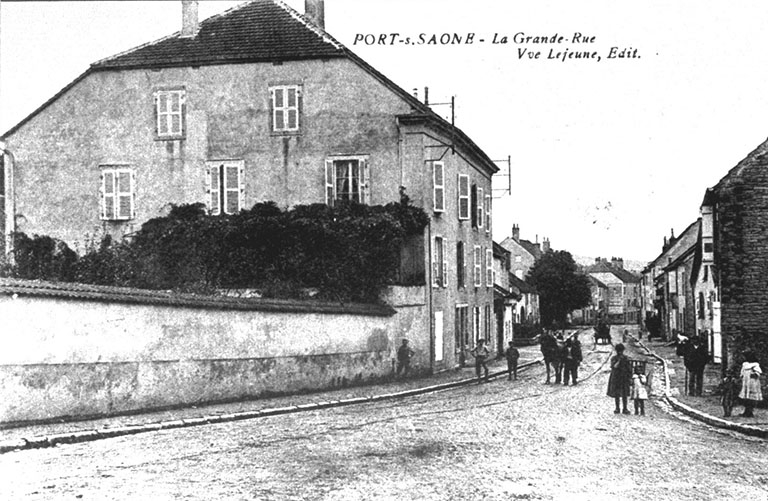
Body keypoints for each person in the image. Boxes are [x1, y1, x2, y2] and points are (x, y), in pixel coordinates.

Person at [607, 343, 632, 414]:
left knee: (625, 393)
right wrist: (619, 361)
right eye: (618, 351)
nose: (620, 352)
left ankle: (625, 408)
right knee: (617, 394)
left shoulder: (626, 358)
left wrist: (630, 377)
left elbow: (629, 368)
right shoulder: (614, 358)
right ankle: (617, 408)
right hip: (616, 377)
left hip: (624, 377)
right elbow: (614, 366)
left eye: (621, 351)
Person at [738, 350, 763, 417]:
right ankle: (746, 411)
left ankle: (750, 411)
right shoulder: (745, 364)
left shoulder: (755, 365)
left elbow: (758, 373)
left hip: (752, 383)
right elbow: (742, 373)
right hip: (746, 383)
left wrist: (754, 374)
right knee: (746, 397)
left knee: (751, 397)